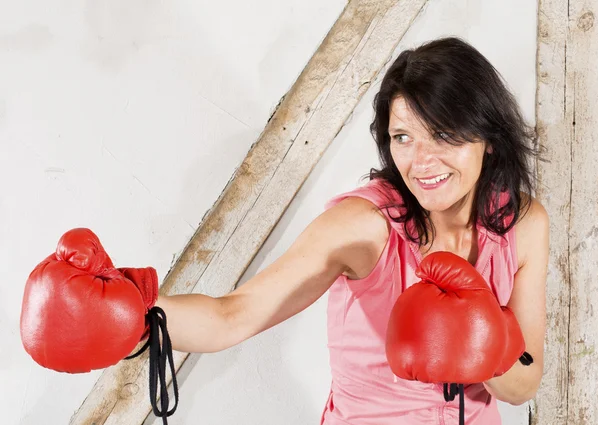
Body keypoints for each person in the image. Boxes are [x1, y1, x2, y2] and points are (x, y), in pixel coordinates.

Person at [20, 37, 548, 425]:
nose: (422, 161)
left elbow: (525, 383)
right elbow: (235, 315)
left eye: (444, 135)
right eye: (403, 136)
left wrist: (492, 345)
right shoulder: (363, 228)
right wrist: (136, 319)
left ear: (489, 139)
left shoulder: (523, 225)